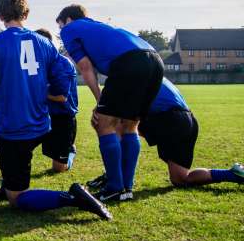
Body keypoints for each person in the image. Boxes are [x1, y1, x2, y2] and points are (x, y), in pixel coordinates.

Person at [0, 0, 111, 221]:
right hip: (41, 123)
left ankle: (72, 198)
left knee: (17, 198)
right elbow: (64, 75)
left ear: (0, 15)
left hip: (14, 128)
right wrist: (46, 91)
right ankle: (8, 182)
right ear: (26, 13)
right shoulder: (45, 43)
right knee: (8, 146)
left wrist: (1, 82)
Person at [56, 4, 164, 202]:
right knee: (130, 125)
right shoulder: (98, 27)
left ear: (68, 20)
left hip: (129, 62)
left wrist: (100, 101)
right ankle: (126, 188)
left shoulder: (70, 29)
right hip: (155, 60)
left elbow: (86, 68)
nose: (61, 31)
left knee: (103, 123)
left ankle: (114, 187)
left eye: (60, 26)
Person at [87, 78, 244, 190]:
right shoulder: (151, 69)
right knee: (181, 179)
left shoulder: (127, 74)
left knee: (112, 126)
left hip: (169, 120)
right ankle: (232, 174)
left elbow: (115, 116)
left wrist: (99, 113)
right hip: (187, 120)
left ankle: (115, 177)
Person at [35, 29, 78, 173]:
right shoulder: (37, 64)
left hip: (63, 117)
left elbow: (61, 97)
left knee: (58, 169)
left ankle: (70, 152)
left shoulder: (62, 64)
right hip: (44, 115)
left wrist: (38, 93)